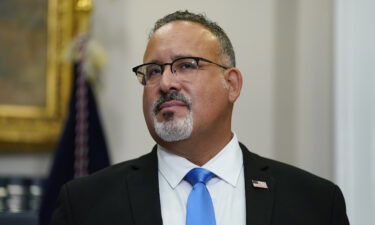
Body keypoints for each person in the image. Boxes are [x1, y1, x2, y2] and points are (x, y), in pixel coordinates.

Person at [50, 10, 349, 225]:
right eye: (153, 71)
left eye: (186, 65)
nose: (166, 83)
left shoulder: (315, 203)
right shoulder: (86, 204)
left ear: (231, 84)